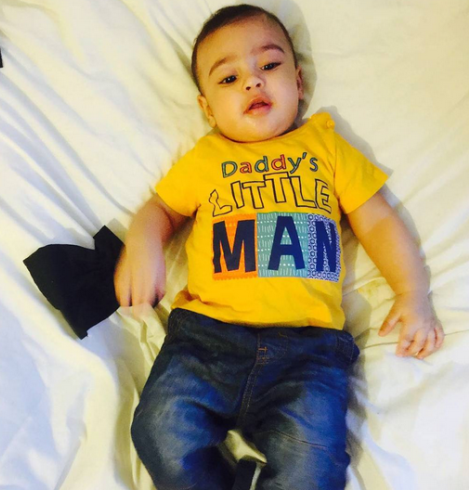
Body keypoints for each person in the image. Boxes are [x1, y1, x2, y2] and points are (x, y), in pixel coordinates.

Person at [114, 4, 445, 489]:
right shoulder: (208, 158)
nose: (252, 81)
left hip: (307, 353)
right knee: (158, 430)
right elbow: (162, 208)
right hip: (207, 340)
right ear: (207, 108)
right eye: (229, 78)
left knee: (314, 466)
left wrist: (412, 293)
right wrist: (143, 242)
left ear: (299, 82)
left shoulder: (325, 148)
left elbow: (377, 220)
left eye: (269, 65)